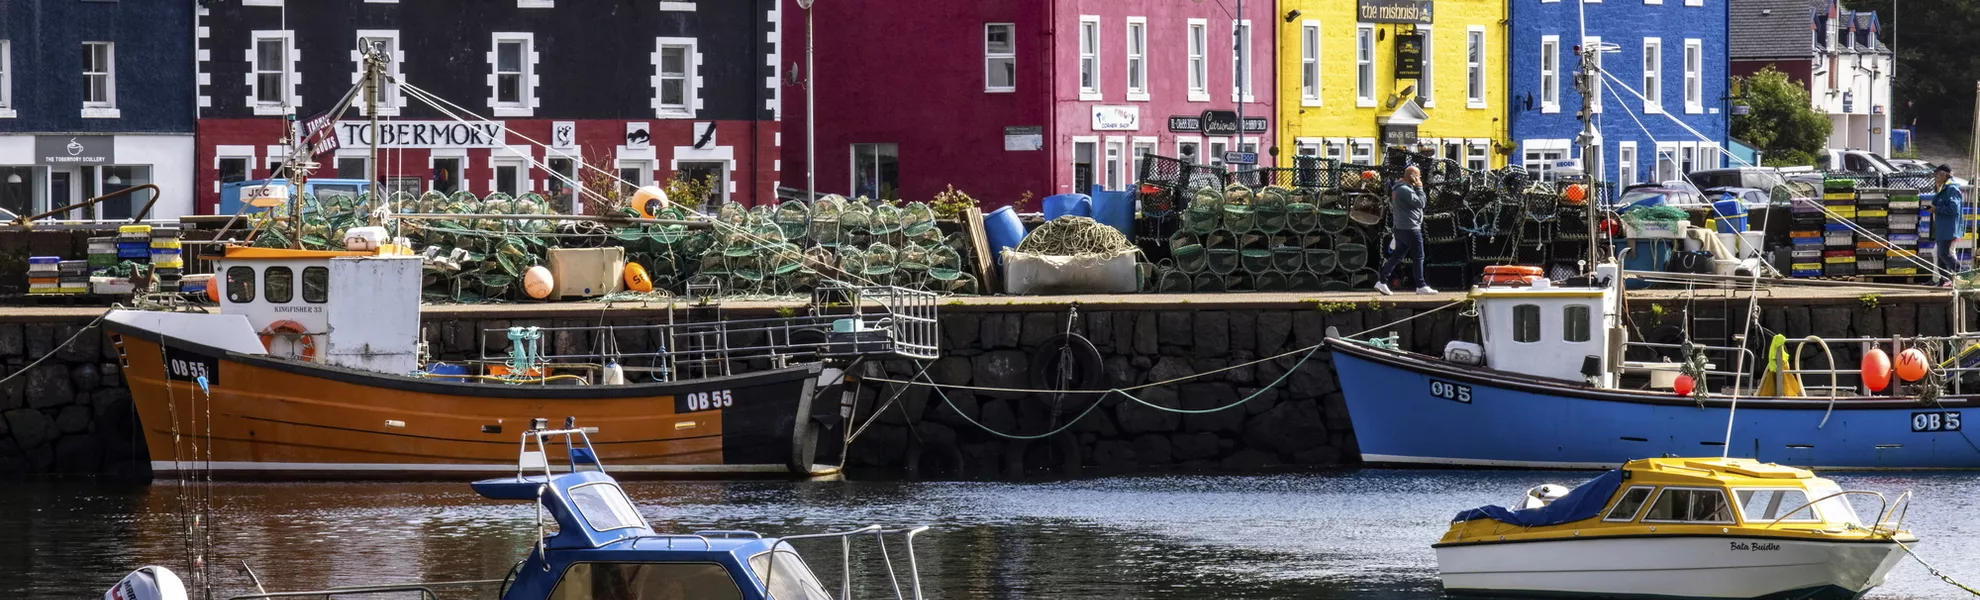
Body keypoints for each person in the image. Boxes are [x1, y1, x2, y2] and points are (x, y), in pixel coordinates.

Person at [1375, 165, 1436, 295]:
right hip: (1411, 228)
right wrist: (1419, 187)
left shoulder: (1399, 188)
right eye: (1418, 176)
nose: (1420, 178)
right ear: (1413, 176)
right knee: (1419, 256)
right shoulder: (1405, 190)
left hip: (1401, 228)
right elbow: (1421, 203)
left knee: (1397, 256)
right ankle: (1421, 285)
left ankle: (1382, 281)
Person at [1930, 164, 1966, 287]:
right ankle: (1944, 280)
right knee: (1940, 255)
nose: (1935, 177)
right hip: (1942, 228)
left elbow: (1954, 209)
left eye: (1936, 174)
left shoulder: (1952, 189)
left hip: (1948, 228)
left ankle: (1963, 273)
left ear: (1943, 174)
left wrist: (1936, 209)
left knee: (1944, 253)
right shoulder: (1943, 188)